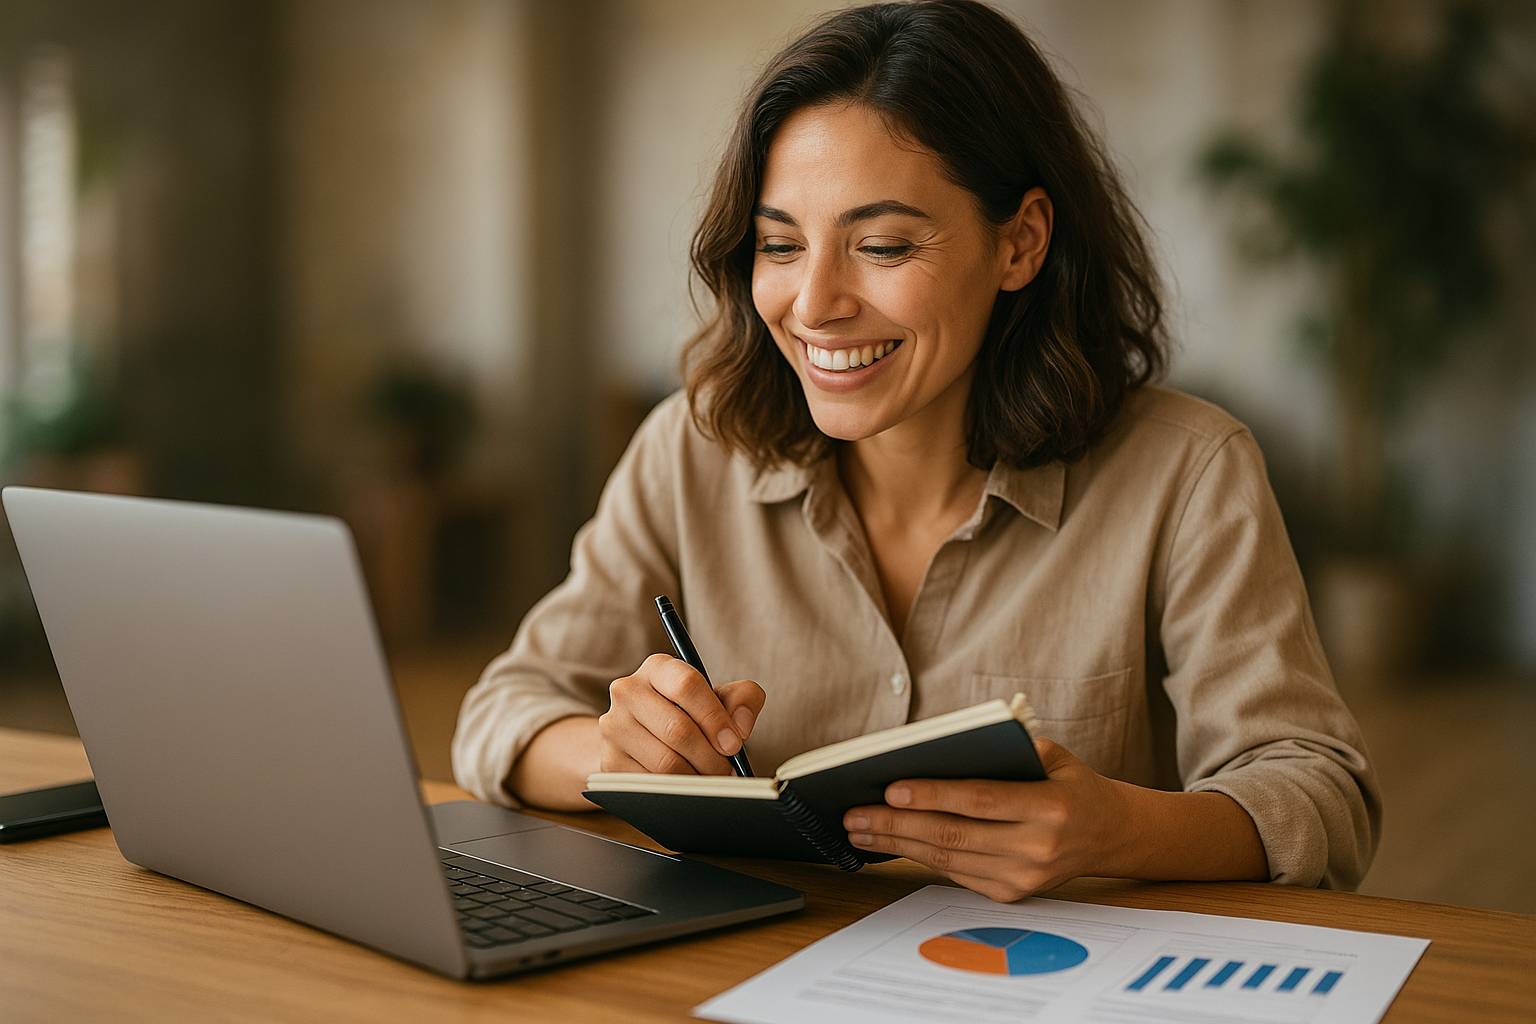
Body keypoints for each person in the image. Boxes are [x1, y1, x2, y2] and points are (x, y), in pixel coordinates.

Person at [452, 0, 1379, 899]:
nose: (815, 303)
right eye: (781, 245)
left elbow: (1319, 792)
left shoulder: (1187, 471)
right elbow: (503, 715)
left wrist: (1118, 827)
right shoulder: (691, 450)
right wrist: (614, 756)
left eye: (884, 245)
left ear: (1020, 243)